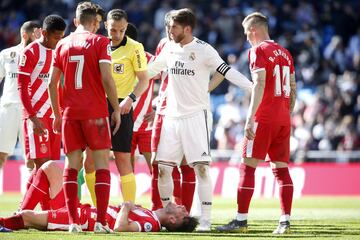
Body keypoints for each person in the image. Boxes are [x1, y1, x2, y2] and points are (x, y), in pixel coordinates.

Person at [147, 8, 252, 231]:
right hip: (171, 118)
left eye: (174, 27)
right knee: (164, 170)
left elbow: (226, 71)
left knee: (201, 169)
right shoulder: (168, 47)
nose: (169, 30)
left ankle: (205, 220)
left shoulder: (204, 49)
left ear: (187, 28)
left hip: (196, 117)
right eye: (169, 26)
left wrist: (252, 86)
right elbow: (150, 70)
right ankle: (169, 218)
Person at [216, 12, 297, 234]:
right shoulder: (286, 53)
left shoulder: (258, 50)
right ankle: (285, 221)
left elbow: (259, 83)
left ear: (253, 30)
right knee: (281, 170)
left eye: (246, 33)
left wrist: (251, 118)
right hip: (283, 117)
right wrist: (287, 113)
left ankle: (241, 221)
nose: (246, 38)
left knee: (247, 167)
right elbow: (293, 85)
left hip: (265, 117)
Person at [48, 2, 120, 233]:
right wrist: (116, 109)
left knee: (72, 166)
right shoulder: (100, 42)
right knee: (101, 165)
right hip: (95, 114)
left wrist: (57, 114)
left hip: (70, 114)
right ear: (96, 22)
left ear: (76, 20)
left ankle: (72, 223)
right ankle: (100, 222)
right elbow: (107, 78)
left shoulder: (62, 44)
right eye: (99, 23)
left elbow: (52, 82)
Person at [0, 161, 198, 233]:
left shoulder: (150, 224)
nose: (181, 207)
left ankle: (6, 222)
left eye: (183, 212)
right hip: (81, 210)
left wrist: (127, 207)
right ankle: (15, 216)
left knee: (26, 217)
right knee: (50, 167)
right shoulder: (149, 213)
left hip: (82, 219)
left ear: (173, 219)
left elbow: (120, 227)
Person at [17, 15, 66, 211]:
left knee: (49, 167)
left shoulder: (60, 51)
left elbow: (59, 86)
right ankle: (26, 211)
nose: (59, 41)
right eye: (56, 37)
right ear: (44, 33)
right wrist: (32, 117)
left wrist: (59, 113)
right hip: (36, 116)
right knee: (43, 167)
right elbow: (22, 87)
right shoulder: (31, 52)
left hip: (54, 116)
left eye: (62, 36)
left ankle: (46, 213)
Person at [104, 9, 149, 203]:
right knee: (89, 161)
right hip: (97, 105)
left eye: (121, 31)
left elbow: (144, 80)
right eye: (113, 30)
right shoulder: (99, 45)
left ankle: (129, 209)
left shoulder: (135, 47)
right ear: (106, 26)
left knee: (123, 158)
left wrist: (130, 98)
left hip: (122, 106)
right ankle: (99, 212)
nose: (117, 35)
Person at [0, 20, 41, 172]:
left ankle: (29, 195)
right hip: (8, 108)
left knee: (31, 158)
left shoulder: (42, 56)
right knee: (1, 154)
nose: (39, 36)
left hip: (31, 112)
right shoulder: (6, 54)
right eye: (36, 33)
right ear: (25, 35)